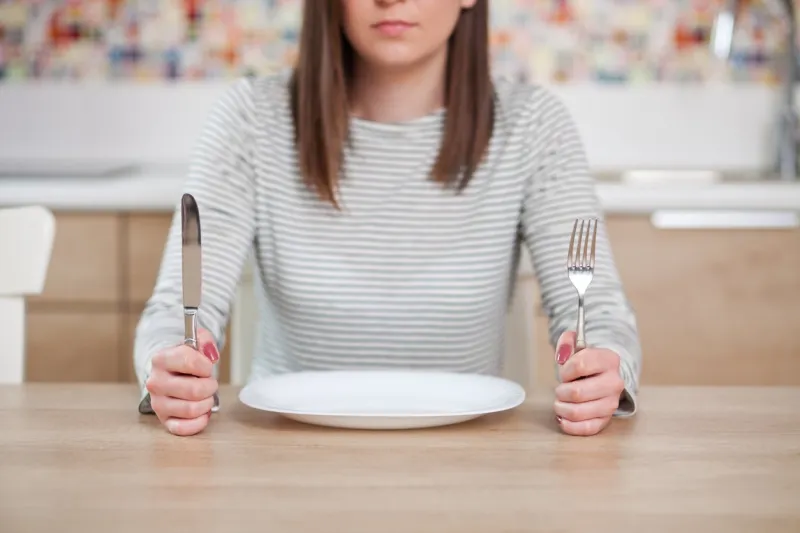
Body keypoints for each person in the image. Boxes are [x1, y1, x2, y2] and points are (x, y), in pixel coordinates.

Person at [135, 0, 641, 438]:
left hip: (472, 457)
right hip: (284, 453)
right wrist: (173, 369)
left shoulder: (534, 126)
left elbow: (597, 315)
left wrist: (602, 370)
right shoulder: (250, 119)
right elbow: (175, 316)